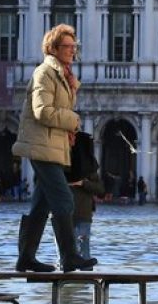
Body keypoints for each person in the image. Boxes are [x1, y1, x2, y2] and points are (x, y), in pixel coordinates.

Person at [11, 24, 97, 273]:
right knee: (64, 199)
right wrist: (73, 120)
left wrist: (72, 90)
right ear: (53, 48)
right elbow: (42, 111)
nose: (72, 51)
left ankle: (25, 258)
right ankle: (70, 256)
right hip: (41, 146)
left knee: (41, 205)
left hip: (53, 146)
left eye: (74, 47)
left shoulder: (62, 76)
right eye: (67, 46)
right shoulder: (44, 73)